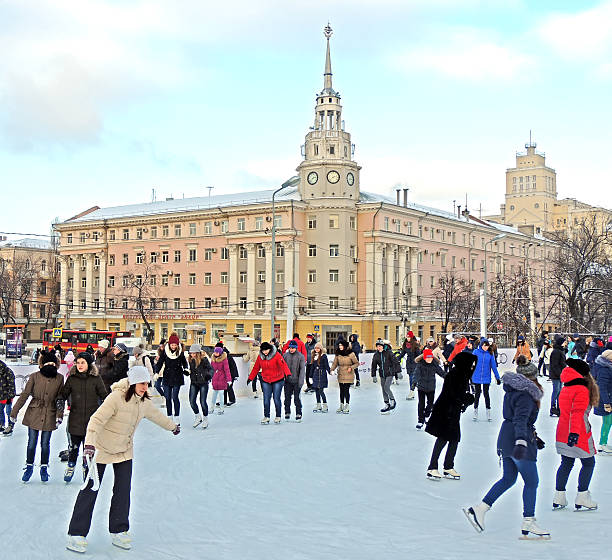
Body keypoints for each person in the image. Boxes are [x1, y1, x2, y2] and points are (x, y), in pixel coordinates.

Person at [65, 366, 180, 553]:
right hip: (100, 449)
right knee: (90, 489)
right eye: (142, 383)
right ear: (133, 382)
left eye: (147, 383)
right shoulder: (115, 398)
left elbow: (157, 416)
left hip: (124, 451)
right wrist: (89, 444)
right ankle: (76, 534)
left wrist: (172, 426)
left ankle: (119, 530)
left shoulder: (143, 402)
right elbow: (96, 420)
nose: (145, 387)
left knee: (123, 490)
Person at [463, 356, 550, 539]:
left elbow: (518, 419)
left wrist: (533, 436)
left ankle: (480, 509)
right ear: (532, 378)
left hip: (506, 438)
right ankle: (529, 520)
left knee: (509, 478)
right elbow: (519, 419)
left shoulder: (512, 390)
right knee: (532, 482)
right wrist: (521, 440)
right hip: (517, 441)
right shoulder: (527, 395)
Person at [10, 349, 65, 483]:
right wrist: (14, 412)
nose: (50, 365)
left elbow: (60, 398)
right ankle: (29, 467)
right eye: (47, 363)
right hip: (34, 412)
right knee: (31, 443)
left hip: (50, 413)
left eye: (53, 363)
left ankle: (44, 468)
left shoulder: (59, 378)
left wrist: (59, 415)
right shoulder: (34, 376)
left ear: (56, 364)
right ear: (42, 364)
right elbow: (24, 395)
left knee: (45, 444)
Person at [553, 359, 599, 511]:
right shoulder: (581, 389)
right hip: (577, 432)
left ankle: (559, 496)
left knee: (566, 463)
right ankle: (582, 496)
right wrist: (574, 433)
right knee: (589, 463)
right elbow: (577, 413)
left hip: (562, 430)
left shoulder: (566, 387)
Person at [424, 352, 475, 481]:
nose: (472, 366)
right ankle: (432, 467)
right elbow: (452, 394)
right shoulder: (455, 375)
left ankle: (448, 466)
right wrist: (467, 398)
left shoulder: (462, 374)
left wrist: (465, 400)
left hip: (453, 411)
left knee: (454, 439)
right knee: (443, 438)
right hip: (445, 411)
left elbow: (458, 394)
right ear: (465, 363)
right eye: (470, 364)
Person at [60, 352, 108, 483]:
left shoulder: (96, 378)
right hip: (75, 419)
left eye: (83, 362)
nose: (80, 365)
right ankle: (71, 466)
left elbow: (104, 395)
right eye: (78, 362)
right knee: (73, 447)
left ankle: (86, 468)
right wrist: (58, 402)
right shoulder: (72, 378)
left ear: (89, 364)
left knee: (88, 449)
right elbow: (63, 394)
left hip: (91, 421)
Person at [247, 341, 291, 424]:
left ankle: (278, 416)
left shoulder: (276, 355)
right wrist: (250, 378)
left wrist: (287, 373)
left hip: (278, 379)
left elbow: (283, 365)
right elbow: (256, 368)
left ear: (270, 349)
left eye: (266, 350)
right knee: (266, 399)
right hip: (266, 380)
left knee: (276, 398)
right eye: (263, 351)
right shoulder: (260, 357)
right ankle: (266, 416)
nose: (265, 352)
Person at [156, 332, 189, 425]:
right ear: (169, 344)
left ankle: (177, 416)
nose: (173, 346)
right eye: (172, 345)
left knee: (175, 397)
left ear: (177, 345)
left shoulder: (180, 352)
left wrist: (186, 369)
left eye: (175, 345)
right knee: (168, 398)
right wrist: (156, 372)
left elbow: (184, 363)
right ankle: (169, 415)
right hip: (167, 376)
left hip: (177, 377)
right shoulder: (165, 352)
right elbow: (159, 363)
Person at [413, 348, 445, 428]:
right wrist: (414, 383)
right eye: (427, 357)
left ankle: (426, 415)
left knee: (430, 404)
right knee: (421, 404)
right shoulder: (420, 365)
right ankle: (420, 420)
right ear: (424, 358)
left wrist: (449, 377)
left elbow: (441, 373)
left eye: (430, 357)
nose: (429, 359)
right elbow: (416, 374)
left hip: (431, 388)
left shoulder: (434, 364)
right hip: (421, 387)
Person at [472, 338, 501, 422]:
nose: (486, 347)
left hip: (486, 377)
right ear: (481, 345)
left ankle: (488, 412)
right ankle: (475, 411)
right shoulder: (475, 352)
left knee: (486, 393)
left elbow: (493, 366)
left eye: (487, 346)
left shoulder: (490, 353)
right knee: (477, 394)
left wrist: (497, 377)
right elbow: (470, 363)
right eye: (484, 346)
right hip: (476, 376)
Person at [371, 339, 401, 414]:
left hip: (390, 373)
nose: (379, 348)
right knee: (383, 389)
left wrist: (399, 372)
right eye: (377, 346)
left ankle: (392, 400)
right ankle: (387, 404)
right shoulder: (376, 355)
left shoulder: (389, 353)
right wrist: (373, 375)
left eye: (380, 346)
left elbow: (396, 362)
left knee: (386, 387)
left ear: (383, 346)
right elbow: (373, 366)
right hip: (382, 374)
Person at [187, 344, 212, 428]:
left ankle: (205, 419)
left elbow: (211, 369)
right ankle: (198, 417)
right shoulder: (191, 360)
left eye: (194, 353)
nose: (192, 355)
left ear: (198, 353)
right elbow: (191, 370)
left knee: (202, 402)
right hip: (194, 383)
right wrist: (188, 372)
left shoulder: (204, 360)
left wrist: (209, 375)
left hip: (203, 383)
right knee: (191, 401)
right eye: (191, 353)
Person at [330, 340, 359, 414]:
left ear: (345, 346)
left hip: (349, 374)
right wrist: (332, 370)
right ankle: (341, 405)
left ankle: (347, 405)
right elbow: (334, 363)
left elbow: (357, 363)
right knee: (341, 390)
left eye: (341, 345)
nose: (340, 347)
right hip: (341, 374)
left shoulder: (351, 354)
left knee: (346, 390)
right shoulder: (338, 354)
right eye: (339, 346)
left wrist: (351, 367)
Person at [593, 349, 612, 453]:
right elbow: (602, 387)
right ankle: (602, 444)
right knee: (607, 422)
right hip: (606, 399)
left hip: (609, 398)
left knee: (609, 422)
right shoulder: (604, 369)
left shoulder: (608, 367)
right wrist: (606, 403)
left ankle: (603, 443)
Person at [283, 340, 306, 421]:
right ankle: (287, 412)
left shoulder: (301, 356)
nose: (291, 349)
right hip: (287, 381)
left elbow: (302, 370)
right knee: (287, 397)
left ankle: (298, 413)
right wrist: (283, 379)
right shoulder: (285, 356)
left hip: (296, 381)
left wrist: (300, 382)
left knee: (297, 398)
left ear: (296, 348)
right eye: (290, 348)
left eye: (293, 348)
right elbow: (282, 368)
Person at [210, 344, 232, 415]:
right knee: (214, 395)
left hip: (222, 379)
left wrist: (229, 380)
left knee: (221, 394)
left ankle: (221, 409)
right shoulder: (213, 359)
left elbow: (227, 370)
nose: (215, 353)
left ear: (220, 353)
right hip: (215, 379)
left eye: (217, 352)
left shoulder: (224, 360)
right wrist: (209, 377)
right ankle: (211, 408)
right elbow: (211, 369)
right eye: (215, 352)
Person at [549, 335, 567, 417]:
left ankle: (559, 407)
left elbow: (562, 362)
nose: (565, 343)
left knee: (560, 391)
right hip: (556, 375)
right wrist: (560, 374)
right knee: (556, 391)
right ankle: (553, 407)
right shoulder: (556, 351)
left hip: (560, 374)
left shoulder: (560, 350)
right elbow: (555, 365)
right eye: (564, 342)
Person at [399, 332, 420, 399]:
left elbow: (419, 355)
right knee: (410, 377)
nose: (408, 338)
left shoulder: (415, 345)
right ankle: (412, 391)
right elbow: (402, 354)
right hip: (408, 363)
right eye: (407, 337)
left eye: (409, 337)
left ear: (411, 337)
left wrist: (418, 361)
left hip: (414, 362)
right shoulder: (406, 345)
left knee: (412, 377)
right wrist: (396, 358)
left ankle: (412, 391)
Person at [310, 343, 330, 413]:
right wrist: (310, 376)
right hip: (315, 374)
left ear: (321, 349)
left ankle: (325, 405)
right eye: (315, 348)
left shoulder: (323, 356)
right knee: (316, 391)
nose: (316, 349)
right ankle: (318, 404)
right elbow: (312, 367)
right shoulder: (314, 356)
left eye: (318, 348)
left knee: (321, 391)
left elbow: (327, 365)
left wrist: (330, 371)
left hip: (322, 374)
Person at [0, 358, 16, 436]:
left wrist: (10, 398)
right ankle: (1, 424)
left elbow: (12, 386)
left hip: (8, 396)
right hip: (1, 396)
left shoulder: (8, 372)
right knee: (0, 410)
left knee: (8, 411)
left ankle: (10, 425)